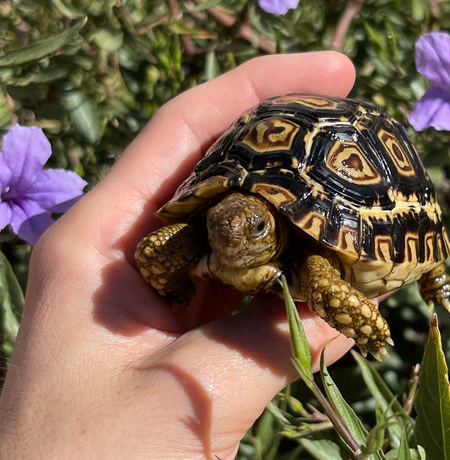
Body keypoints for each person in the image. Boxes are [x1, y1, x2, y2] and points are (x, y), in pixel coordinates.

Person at [0, 52, 357, 459]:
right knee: (159, 249)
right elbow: (157, 252)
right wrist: (176, 283)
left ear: (271, 230)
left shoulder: (308, 257)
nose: (231, 240)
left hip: (315, 228)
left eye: (255, 230)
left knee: (324, 281)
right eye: (216, 226)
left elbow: (323, 274)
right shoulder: (201, 234)